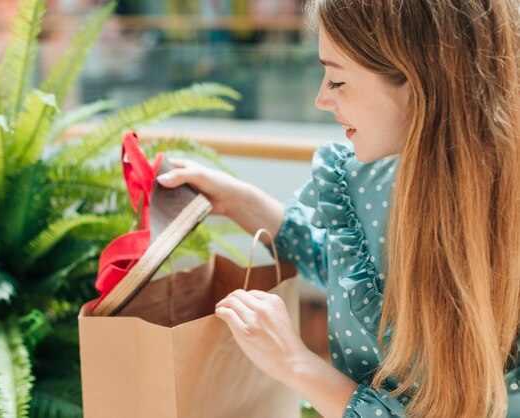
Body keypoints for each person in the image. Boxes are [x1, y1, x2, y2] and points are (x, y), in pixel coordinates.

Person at [155, 0, 520, 416]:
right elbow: (352, 280)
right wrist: (239, 202)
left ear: (416, 78)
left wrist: (296, 364)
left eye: (337, 80)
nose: (320, 100)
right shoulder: (372, 178)